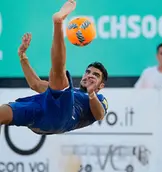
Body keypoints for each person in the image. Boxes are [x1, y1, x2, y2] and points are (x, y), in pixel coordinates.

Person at [0, 0, 108, 135]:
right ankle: (58, 22)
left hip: (62, 118)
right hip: (39, 112)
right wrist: (22, 56)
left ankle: (58, 23)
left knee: (61, 81)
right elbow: (36, 84)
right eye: (88, 72)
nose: (89, 75)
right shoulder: (72, 91)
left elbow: (100, 115)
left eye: (96, 75)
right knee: (3, 112)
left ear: (101, 85)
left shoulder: (98, 99)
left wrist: (92, 94)